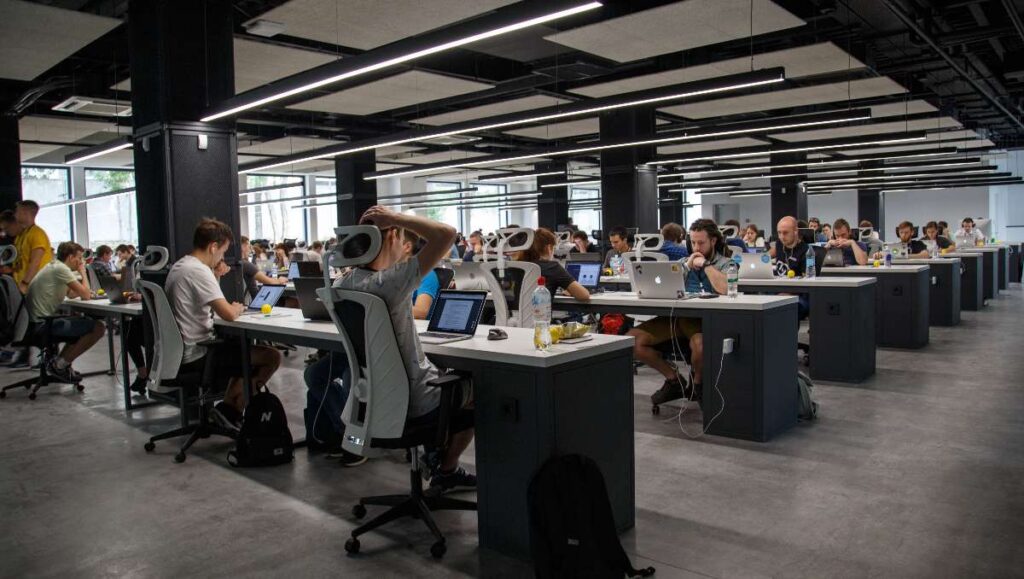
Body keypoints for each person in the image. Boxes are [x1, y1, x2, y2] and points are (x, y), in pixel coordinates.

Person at [333, 206, 475, 492]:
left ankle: (433, 455)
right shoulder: (391, 282)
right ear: (391, 238)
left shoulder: (342, 283)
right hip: (417, 401)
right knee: (481, 384)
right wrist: (395, 218)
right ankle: (446, 467)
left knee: (446, 379)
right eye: (399, 236)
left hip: (375, 400)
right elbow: (447, 234)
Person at [165, 218, 282, 431]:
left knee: (241, 351)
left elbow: (204, 300)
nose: (222, 258)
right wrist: (237, 308)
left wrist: (216, 275)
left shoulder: (181, 265)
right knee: (271, 356)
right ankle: (230, 411)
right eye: (222, 252)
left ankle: (227, 411)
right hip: (199, 353)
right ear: (213, 247)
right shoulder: (198, 270)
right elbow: (228, 313)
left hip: (182, 352)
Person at [630, 219, 731, 407]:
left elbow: (725, 289)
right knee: (632, 340)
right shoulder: (683, 262)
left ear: (713, 241)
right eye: (693, 242)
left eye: (701, 242)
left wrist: (705, 264)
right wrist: (686, 266)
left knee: (700, 346)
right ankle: (674, 380)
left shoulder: (726, 263)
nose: (696, 246)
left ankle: (698, 384)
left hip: (704, 321)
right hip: (677, 318)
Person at [25, 242, 106, 383]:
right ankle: (60, 365)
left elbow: (72, 294)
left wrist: (82, 290)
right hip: (42, 325)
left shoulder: (53, 266)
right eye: (79, 258)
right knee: (98, 327)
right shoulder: (62, 269)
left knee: (78, 323)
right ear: (70, 257)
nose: (81, 261)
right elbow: (86, 295)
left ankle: (60, 364)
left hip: (36, 323)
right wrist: (83, 272)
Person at [513, 227, 590, 302]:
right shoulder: (552, 267)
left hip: (514, 314)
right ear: (549, 248)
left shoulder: (516, 266)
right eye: (554, 248)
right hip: (540, 313)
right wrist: (572, 290)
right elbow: (584, 295)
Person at [768, 216, 811, 319]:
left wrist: (788, 293)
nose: (782, 237)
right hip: (778, 291)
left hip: (799, 296)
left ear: (795, 231)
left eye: (785, 233)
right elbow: (764, 258)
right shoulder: (779, 244)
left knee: (780, 307)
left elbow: (808, 281)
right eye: (779, 233)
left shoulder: (806, 251)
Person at [12, 200, 53, 294]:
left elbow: (35, 261)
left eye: (17, 211)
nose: (15, 215)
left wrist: (25, 283)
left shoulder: (37, 234)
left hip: (37, 287)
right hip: (25, 287)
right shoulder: (22, 235)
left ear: (25, 212)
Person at [239, 236, 286, 300]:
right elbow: (268, 280)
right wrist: (279, 280)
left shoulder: (238, 263)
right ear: (243, 246)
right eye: (248, 246)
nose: (250, 249)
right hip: (255, 300)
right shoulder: (246, 264)